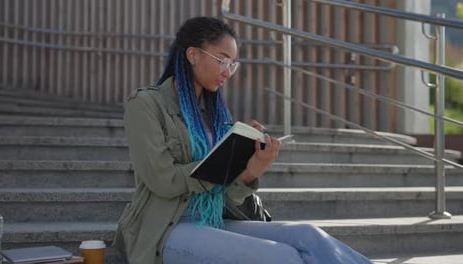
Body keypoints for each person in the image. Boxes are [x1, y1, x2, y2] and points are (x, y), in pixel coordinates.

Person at [113, 16, 372, 264]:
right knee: (279, 257)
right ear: (193, 55)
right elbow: (163, 180)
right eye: (222, 61)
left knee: (308, 236)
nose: (227, 72)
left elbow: (226, 199)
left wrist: (251, 171)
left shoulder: (217, 117)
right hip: (166, 229)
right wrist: (222, 160)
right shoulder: (146, 104)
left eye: (233, 64)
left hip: (215, 220)